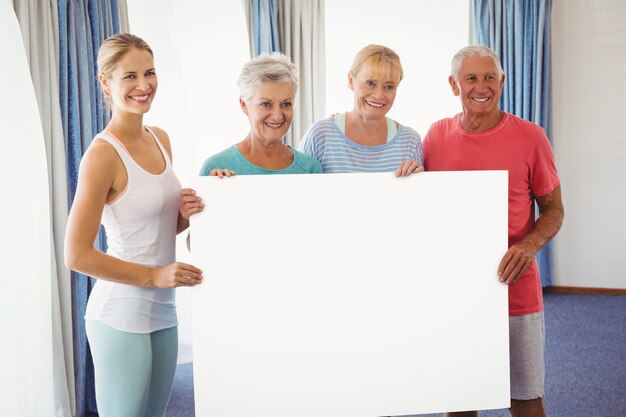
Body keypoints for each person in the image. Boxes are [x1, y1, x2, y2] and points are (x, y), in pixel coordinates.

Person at [64, 33, 204, 417]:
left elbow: (155, 229)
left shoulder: (160, 139)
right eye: (130, 76)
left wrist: (183, 215)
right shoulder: (102, 155)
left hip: (164, 309)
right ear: (106, 82)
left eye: (150, 73)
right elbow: (75, 254)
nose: (144, 86)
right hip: (120, 312)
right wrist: (154, 277)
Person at [423, 45, 564, 417]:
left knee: (526, 400)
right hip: (456, 294)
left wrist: (530, 245)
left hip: (515, 289)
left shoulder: (532, 137)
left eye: (490, 78)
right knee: (459, 401)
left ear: (502, 82)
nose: (481, 86)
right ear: (454, 85)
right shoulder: (434, 137)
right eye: (470, 78)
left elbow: (554, 209)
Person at [298, 44, 423, 176]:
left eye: (389, 86)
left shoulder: (411, 142)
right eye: (370, 83)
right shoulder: (320, 136)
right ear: (351, 81)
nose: (379, 95)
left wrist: (419, 180)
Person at [199, 52, 322, 177]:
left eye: (286, 104)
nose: (277, 116)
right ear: (244, 105)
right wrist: (210, 190)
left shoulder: (310, 169)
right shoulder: (215, 168)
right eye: (266, 104)